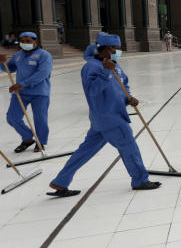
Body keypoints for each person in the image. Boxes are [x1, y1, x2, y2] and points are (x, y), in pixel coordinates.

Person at [48, 32, 161, 196]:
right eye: (117, 48)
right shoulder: (92, 67)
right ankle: (140, 180)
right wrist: (106, 72)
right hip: (110, 117)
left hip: (104, 119)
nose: (119, 51)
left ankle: (60, 182)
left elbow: (122, 84)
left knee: (84, 152)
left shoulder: (114, 64)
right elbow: (92, 91)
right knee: (129, 148)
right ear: (108, 48)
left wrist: (129, 98)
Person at [1, 32, 53, 153]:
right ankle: (28, 138)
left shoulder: (44, 55)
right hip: (21, 93)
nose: (25, 43)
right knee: (12, 118)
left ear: (36, 42)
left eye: (28, 41)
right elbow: (9, 69)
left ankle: (40, 142)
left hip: (40, 93)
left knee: (40, 118)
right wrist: (1, 62)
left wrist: (21, 84)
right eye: (23, 41)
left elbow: (43, 74)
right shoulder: (18, 55)